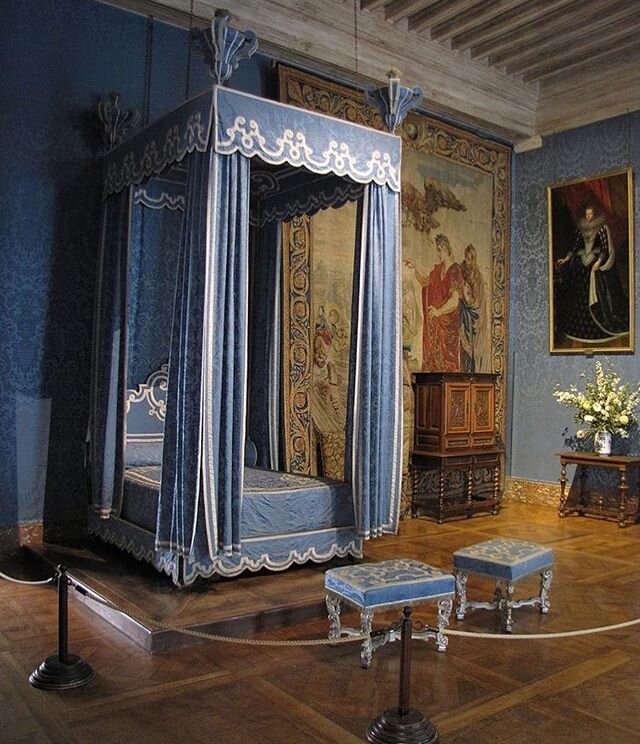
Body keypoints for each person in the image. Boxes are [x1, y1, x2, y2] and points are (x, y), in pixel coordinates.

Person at [555, 201, 628, 343]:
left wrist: (598, 263)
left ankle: (598, 319)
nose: (588, 216)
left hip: (594, 265)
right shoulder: (580, 229)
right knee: (576, 294)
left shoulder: (602, 228)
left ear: (595, 214)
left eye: (591, 214)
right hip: (580, 266)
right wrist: (566, 258)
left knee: (596, 289)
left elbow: (605, 249)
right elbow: (575, 247)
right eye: (587, 214)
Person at [405, 233, 463, 371]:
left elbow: (454, 301)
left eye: (439, 249)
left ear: (446, 248)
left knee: (448, 365)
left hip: (448, 328)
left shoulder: (455, 270)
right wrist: (415, 266)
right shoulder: (437, 271)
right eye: (437, 249)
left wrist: (439, 311)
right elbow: (426, 282)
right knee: (433, 366)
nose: (438, 253)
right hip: (434, 327)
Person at [460, 243, 488, 372]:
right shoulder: (462, 270)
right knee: (463, 345)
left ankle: (472, 371)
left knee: (472, 348)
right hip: (464, 315)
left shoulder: (477, 277)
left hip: (473, 316)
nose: (467, 261)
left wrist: (467, 297)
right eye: (466, 258)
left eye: (470, 258)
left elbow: (476, 301)